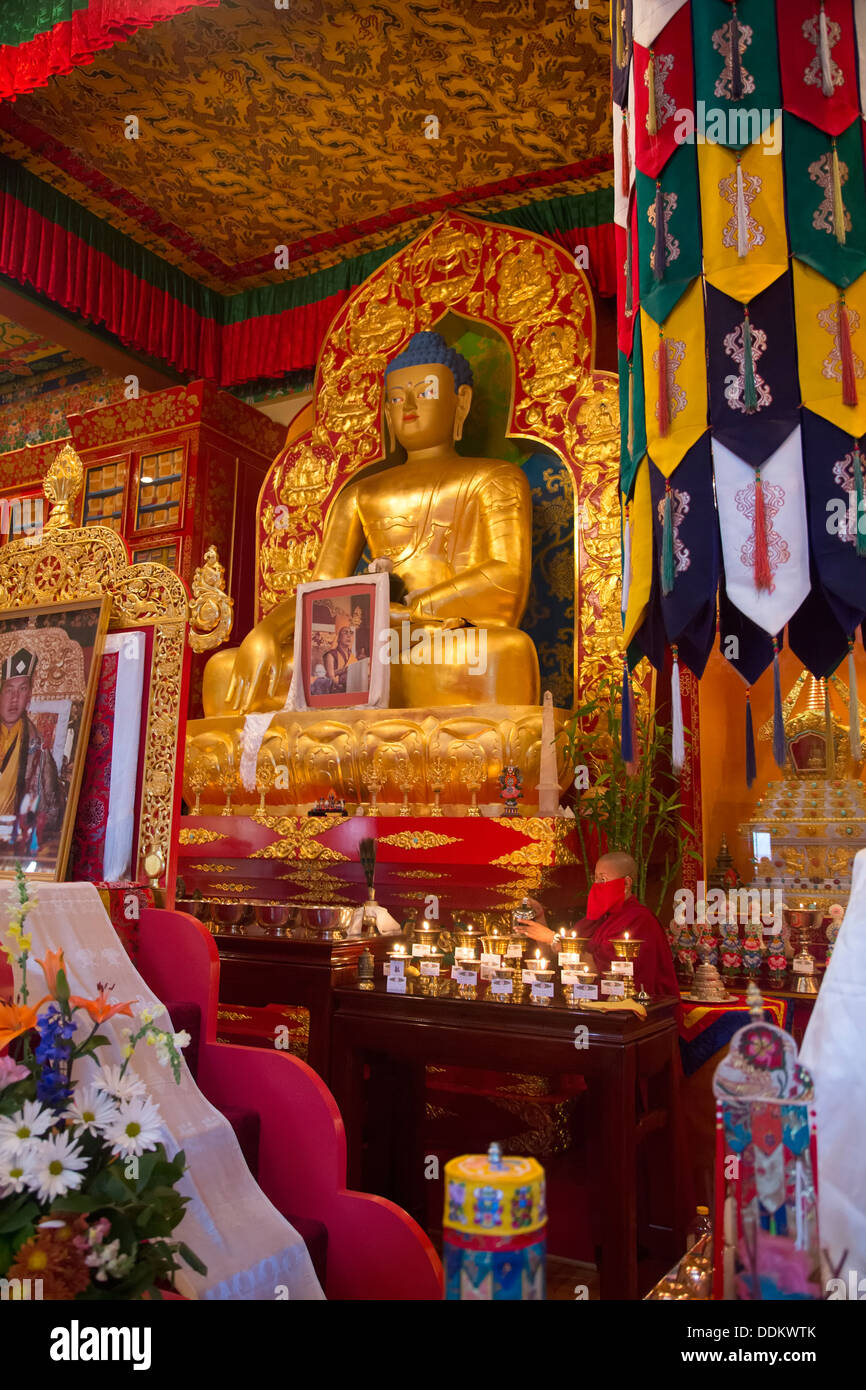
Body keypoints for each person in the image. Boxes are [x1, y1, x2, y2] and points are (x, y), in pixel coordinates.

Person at [514, 850, 679, 997]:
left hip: (629, 1009)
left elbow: (599, 970)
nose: (597, 885)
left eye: (603, 879)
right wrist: (540, 919)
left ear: (626, 884)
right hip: (580, 998)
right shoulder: (596, 919)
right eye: (596, 878)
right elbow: (555, 956)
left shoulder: (640, 920)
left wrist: (553, 938)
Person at [0, 647, 63, 853]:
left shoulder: (37, 749)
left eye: (22, 690)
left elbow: (52, 810)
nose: (14, 699)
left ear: (30, 696)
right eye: (9, 689)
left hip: (14, 844)